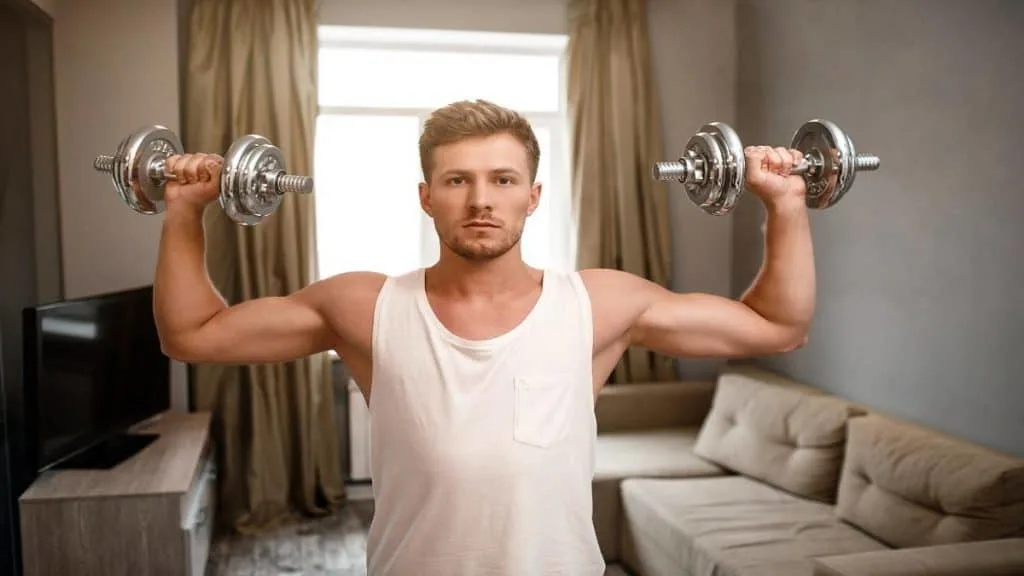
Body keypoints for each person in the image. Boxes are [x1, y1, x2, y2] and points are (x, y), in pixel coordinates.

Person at [155, 99, 814, 575]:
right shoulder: (365, 305)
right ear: (426, 196)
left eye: (502, 180)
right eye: (457, 180)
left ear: (533, 195)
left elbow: (776, 326)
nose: (480, 200)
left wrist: (785, 204)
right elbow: (192, 334)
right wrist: (185, 210)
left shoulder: (601, 303)